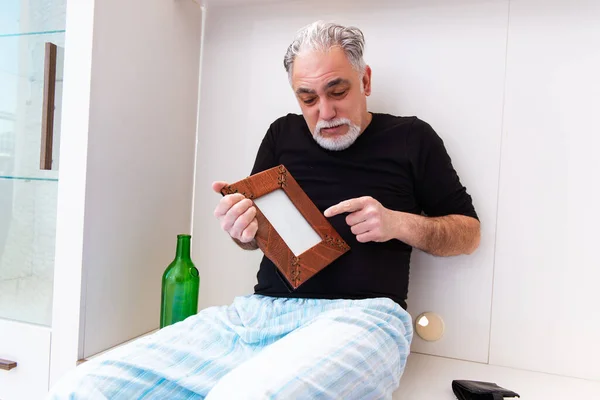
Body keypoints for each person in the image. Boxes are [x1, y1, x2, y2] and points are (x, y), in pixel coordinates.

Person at [47, 21, 480, 400]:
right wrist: (243, 232)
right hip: (257, 316)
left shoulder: (411, 137)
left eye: (338, 91)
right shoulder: (282, 134)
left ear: (364, 80)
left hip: (363, 318)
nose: (324, 113)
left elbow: (468, 232)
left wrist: (397, 223)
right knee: (82, 387)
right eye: (307, 98)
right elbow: (255, 238)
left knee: (242, 395)